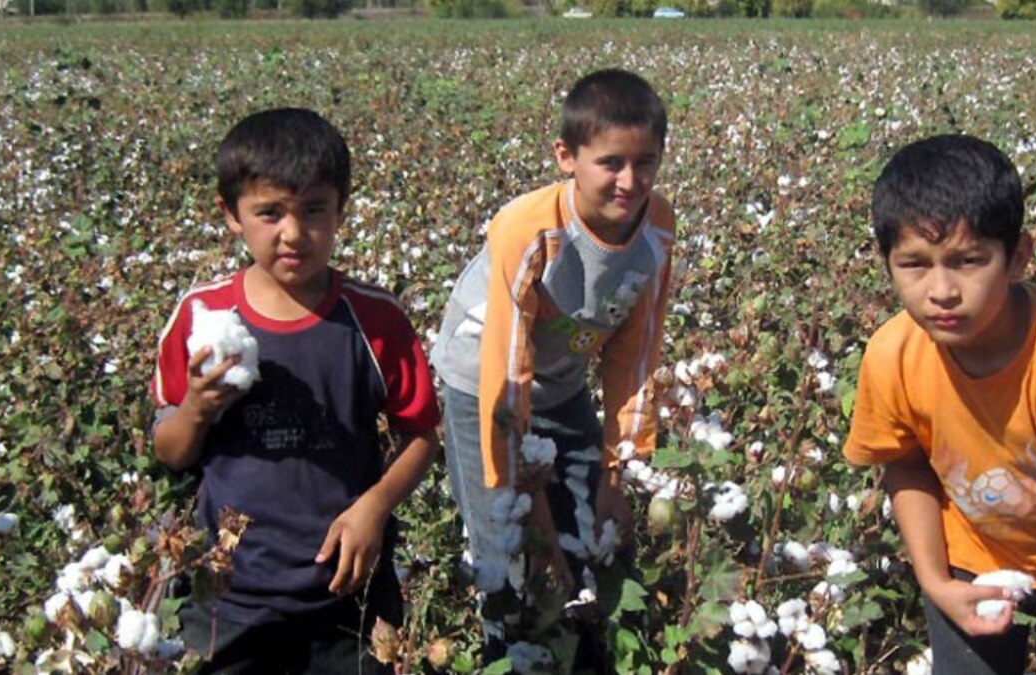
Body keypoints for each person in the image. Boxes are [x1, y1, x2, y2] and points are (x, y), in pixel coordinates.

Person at [151, 108, 441, 674]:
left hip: (346, 590)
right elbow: (171, 451)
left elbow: (422, 435)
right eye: (269, 212)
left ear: (341, 208)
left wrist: (374, 508)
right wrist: (196, 409)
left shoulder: (374, 319)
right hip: (228, 597)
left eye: (313, 210)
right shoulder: (201, 317)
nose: (293, 233)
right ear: (231, 214)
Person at [843, 133, 1036, 675]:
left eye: (969, 261)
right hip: (972, 560)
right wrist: (936, 583)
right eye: (914, 264)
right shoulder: (892, 356)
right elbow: (905, 461)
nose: (942, 290)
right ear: (884, 262)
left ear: (1018, 257)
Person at [431, 68, 676, 669]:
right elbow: (506, 372)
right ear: (567, 157)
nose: (629, 180)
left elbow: (635, 353)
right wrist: (531, 511)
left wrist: (621, 473)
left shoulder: (657, 229)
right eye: (611, 162)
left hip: (561, 383)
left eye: (645, 162)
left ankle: (582, 648)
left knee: (594, 526)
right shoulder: (528, 229)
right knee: (510, 543)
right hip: (482, 386)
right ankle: (513, 652)